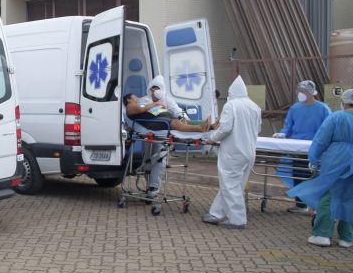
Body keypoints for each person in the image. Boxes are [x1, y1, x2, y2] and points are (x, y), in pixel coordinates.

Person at [287, 88, 353, 248]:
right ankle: (347, 237)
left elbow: (321, 139)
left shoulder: (337, 117)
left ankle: (322, 234)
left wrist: (314, 157)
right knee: (350, 197)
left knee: (328, 195)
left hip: (337, 158)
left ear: (344, 102)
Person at [202, 76, 262, 229]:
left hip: (234, 153)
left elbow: (225, 128)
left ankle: (237, 220)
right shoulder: (255, 107)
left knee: (230, 185)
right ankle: (216, 213)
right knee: (234, 185)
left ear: (231, 92)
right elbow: (258, 129)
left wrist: (211, 139)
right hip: (249, 152)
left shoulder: (231, 105)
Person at [272, 80, 331, 214]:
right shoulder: (295, 108)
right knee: (298, 174)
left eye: (303, 91)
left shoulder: (323, 109)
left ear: (311, 93)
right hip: (297, 148)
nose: (300, 93)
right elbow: (289, 126)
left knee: (315, 176)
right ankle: (301, 204)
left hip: (316, 149)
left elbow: (328, 128)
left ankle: (316, 206)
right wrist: (283, 133)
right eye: (299, 91)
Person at [124, 93, 212, 132]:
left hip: (153, 119)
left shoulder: (137, 106)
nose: (137, 98)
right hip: (149, 122)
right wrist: (155, 104)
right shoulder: (129, 106)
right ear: (129, 99)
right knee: (175, 123)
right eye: (135, 97)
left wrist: (161, 109)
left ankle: (210, 126)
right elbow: (141, 110)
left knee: (182, 120)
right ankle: (199, 128)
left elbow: (146, 112)